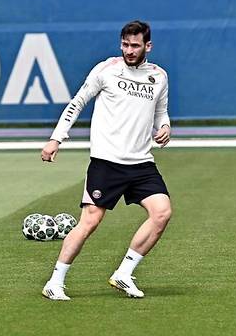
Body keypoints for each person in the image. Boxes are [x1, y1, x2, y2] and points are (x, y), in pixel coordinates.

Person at [40, 20, 172, 300]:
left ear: (148, 46)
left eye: (135, 45)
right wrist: (56, 138)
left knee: (162, 213)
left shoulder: (159, 76)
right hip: (107, 162)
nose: (129, 50)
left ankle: (124, 273)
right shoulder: (106, 69)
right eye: (125, 44)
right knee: (90, 222)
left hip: (141, 163)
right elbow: (77, 103)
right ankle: (55, 281)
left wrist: (165, 127)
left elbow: (161, 111)